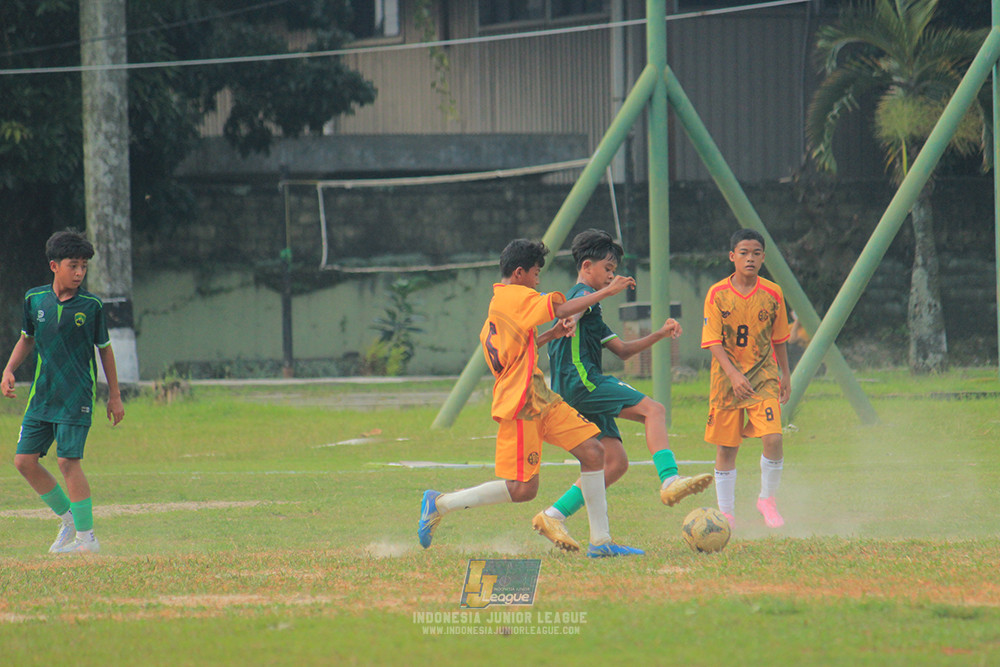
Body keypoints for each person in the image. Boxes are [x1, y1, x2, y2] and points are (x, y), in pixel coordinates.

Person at [418, 238, 644, 557]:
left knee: (594, 452)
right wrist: (608, 291)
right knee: (523, 489)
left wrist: (551, 334)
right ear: (520, 273)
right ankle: (440, 503)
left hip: (539, 395)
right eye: (536, 273)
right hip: (521, 402)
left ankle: (601, 542)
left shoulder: (499, 304)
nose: (538, 281)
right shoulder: (518, 296)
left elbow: (516, 352)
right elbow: (561, 308)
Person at [533, 229, 713, 552]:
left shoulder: (594, 309)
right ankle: (670, 480)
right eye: (607, 269)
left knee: (615, 462)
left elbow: (624, 351)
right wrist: (592, 302)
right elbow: (571, 309)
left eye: (614, 271)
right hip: (582, 382)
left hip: (575, 390)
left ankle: (555, 517)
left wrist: (660, 333)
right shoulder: (581, 295)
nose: (611, 276)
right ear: (586, 266)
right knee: (654, 410)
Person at [2, 230, 125, 554]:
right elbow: (27, 338)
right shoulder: (34, 300)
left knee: (68, 462)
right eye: (74, 265)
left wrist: (114, 395)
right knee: (24, 461)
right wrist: (9, 369)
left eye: (84, 266)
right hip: (42, 395)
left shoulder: (91, 305)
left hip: (76, 396)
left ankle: (87, 538)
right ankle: (69, 520)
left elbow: (105, 349)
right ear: (54, 266)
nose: (80, 272)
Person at [702, 228, 790, 529]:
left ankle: (767, 499)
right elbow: (712, 341)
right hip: (726, 381)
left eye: (756, 253)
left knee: (774, 438)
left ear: (763, 258)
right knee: (727, 448)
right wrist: (733, 374)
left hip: (763, 377)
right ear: (732, 257)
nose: (750, 258)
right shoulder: (717, 293)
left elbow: (779, 338)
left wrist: (785, 374)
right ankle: (726, 514)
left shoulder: (773, 293)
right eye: (744, 253)